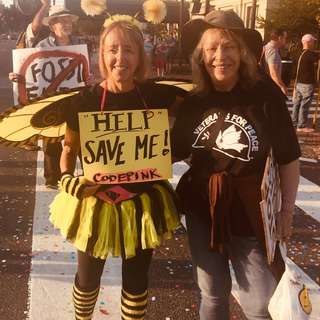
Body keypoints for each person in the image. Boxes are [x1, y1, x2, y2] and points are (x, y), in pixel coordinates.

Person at [49, 15, 185, 320]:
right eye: (112, 49)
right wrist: (68, 180)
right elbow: (68, 148)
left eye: (128, 50)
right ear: (102, 55)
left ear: (139, 57)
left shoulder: (158, 96)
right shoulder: (84, 100)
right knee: (87, 279)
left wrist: (169, 151)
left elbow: (196, 114)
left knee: (137, 281)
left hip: (143, 202)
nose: (120, 58)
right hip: (96, 202)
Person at [171, 10, 301, 320]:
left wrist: (285, 213)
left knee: (259, 304)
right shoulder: (194, 100)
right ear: (201, 55)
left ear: (242, 52)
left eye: (228, 46)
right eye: (212, 48)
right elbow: (170, 151)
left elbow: (289, 156)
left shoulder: (265, 94)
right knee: (213, 293)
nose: (220, 56)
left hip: (252, 213)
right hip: (203, 209)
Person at [9, 4, 80, 189]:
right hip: (52, 100)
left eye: (69, 21)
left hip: (74, 100)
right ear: (52, 26)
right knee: (52, 141)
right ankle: (52, 180)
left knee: (78, 138)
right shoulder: (41, 46)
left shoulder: (80, 44)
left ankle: (78, 176)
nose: (67, 24)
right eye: (63, 21)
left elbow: (87, 70)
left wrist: (91, 76)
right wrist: (18, 76)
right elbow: (32, 70)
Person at [292, 34, 320, 132]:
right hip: (307, 83)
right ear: (308, 42)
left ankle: (294, 123)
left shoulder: (299, 53)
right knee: (304, 105)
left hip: (298, 82)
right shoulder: (309, 54)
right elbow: (316, 58)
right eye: (313, 41)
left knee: (297, 104)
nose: (314, 43)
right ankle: (301, 125)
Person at [263, 28, 288, 95]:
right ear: (280, 38)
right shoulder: (273, 51)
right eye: (285, 38)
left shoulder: (266, 47)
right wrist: (282, 87)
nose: (285, 40)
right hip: (270, 88)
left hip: (264, 86)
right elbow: (273, 73)